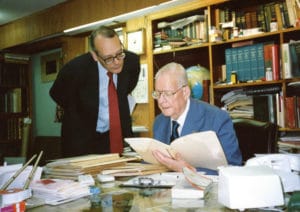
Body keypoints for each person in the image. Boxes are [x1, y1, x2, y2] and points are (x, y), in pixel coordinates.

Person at [50, 26, 140, 157]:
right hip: (81, 138)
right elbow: (56, 93)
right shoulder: (75, 70)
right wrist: (78, 110)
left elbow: (127, 89)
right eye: (108, 58)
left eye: (119, 53)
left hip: (114, 135)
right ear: (95, 55)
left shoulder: (131, 62)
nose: (117, 62)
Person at [151, 62, 242, 175]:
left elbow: (234, 169)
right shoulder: (159, 122)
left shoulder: (217, 119)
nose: (161, 101)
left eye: (168, 93)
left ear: (185, 92)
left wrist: (188, 171)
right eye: (157, 94)